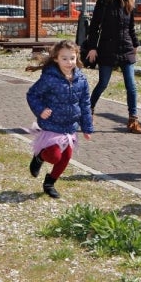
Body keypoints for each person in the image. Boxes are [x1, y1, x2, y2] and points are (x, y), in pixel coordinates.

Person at [26, 39, 94, 198]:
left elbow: (85, 104)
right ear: (56, 58)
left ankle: (49, 183)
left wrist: (87, 127)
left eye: (72, 58)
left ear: (77, 57)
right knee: (54, 156)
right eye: (64, 58)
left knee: (65, 158)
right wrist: (40, 110)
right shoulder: (50, 78)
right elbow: (32, 94)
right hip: (52, 125)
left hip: (70, 127)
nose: (69, 62)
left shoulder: (81, 80)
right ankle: (39, 157)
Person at [85, 0, 141, 134]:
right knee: (103, 83)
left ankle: (133, 120)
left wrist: (135, 45)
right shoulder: (103, 0)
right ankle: (88, 111)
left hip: (126, 48)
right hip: (107, 48)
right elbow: (94, 26)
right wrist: (93, 47)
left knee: (131, 85)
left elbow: (131, 27)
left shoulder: (129, 0)